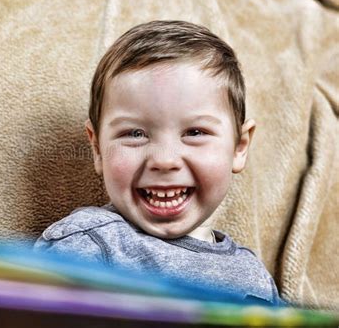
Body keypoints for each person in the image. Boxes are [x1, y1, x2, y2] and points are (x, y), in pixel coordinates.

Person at [34, 20, 281, 305]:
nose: (164, 160)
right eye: (135, 134)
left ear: (239, 147)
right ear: (97, 148)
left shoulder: (254, 276)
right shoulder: (87, 246)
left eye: (195, 132)